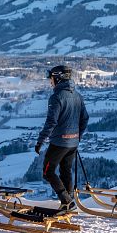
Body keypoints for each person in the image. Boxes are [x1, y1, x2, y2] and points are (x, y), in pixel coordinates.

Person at [35, 65, 89, 212]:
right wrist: (78, 137)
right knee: (66, 171)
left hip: (59, 142)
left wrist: (40, 141)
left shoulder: (56, 97)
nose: (50, 82)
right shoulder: (77, 95)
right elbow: (85, 118)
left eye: (51, 79)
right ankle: (68, 203)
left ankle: (66, 200)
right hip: (73, 142)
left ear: (58, 78)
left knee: (48, 172)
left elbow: (51, 122)